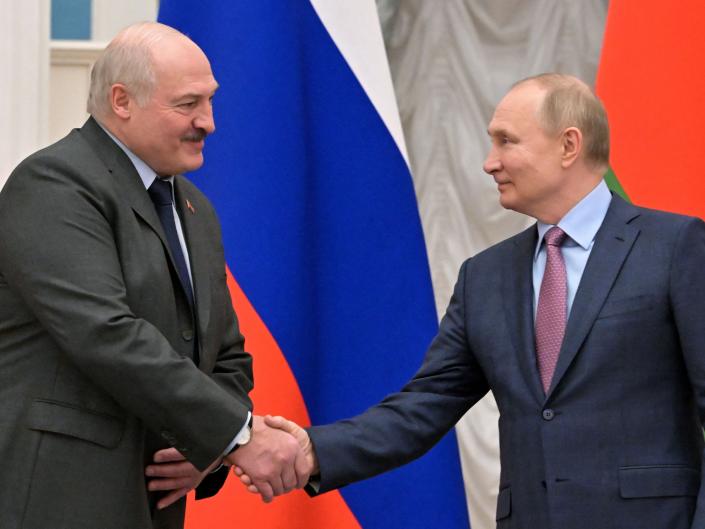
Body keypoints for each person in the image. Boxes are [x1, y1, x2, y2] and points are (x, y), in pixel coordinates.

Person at [236, 74, 705, 528]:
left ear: (568, 145)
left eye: (506, 141)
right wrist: (312, 450)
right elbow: (425, 405)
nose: (489, 162)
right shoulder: (485, 276)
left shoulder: (675, 246)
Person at [0, 22, 307, 529]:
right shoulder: (55, 184)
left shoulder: (193, 208)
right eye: (188, 104)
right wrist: (238, 436)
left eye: (210, 102)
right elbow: (106, 333)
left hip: (153, 505)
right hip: (59, 500)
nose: (208, 122)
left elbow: (226, 355)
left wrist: (204, 445)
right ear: (122, 101)